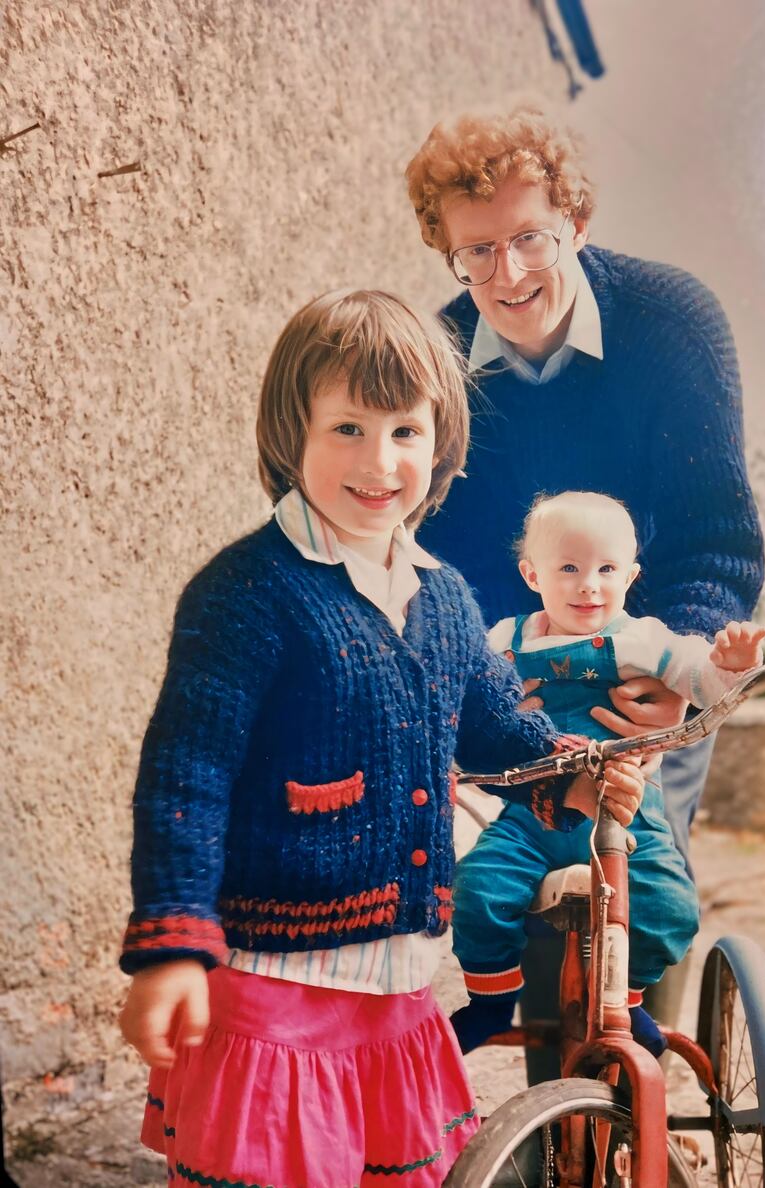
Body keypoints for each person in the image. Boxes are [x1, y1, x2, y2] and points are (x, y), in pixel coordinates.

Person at [117, 290, 646, 1188]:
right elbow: (186, 775)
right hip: (273, 987)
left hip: (399, 991)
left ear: (439, 443)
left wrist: (576, 776)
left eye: (405, 431)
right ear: (293, 434)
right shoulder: (247, 592)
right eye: (348, 429)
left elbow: (494, 730)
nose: (380, 461)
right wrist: (173, 946)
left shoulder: (441, 596)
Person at [405, 104, 765, 873]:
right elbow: (430, 559)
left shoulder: (676, 325)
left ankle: (641, 992)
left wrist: (680, 677)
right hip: (513, 683)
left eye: (530, 238)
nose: (507, 275)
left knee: (642, 888)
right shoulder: (432, 366)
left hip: (653, 670)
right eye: (477, 251)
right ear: (450, 253)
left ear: (577, 222)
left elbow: (717, 543)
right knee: (497, 890)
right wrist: (489, 693)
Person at [448, 490, 765, 1057]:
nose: (588, 585)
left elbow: (702, 682)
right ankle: (491, 1000)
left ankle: (629, 999)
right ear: (531, 574)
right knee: (475, 890)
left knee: (669, 907)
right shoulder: (506, 639)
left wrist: (730, 667)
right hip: (530, 819)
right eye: (568, 568)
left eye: (606, 569)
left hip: (627, 817)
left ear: (631, 575)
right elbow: (460, 697)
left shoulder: (644, 639)